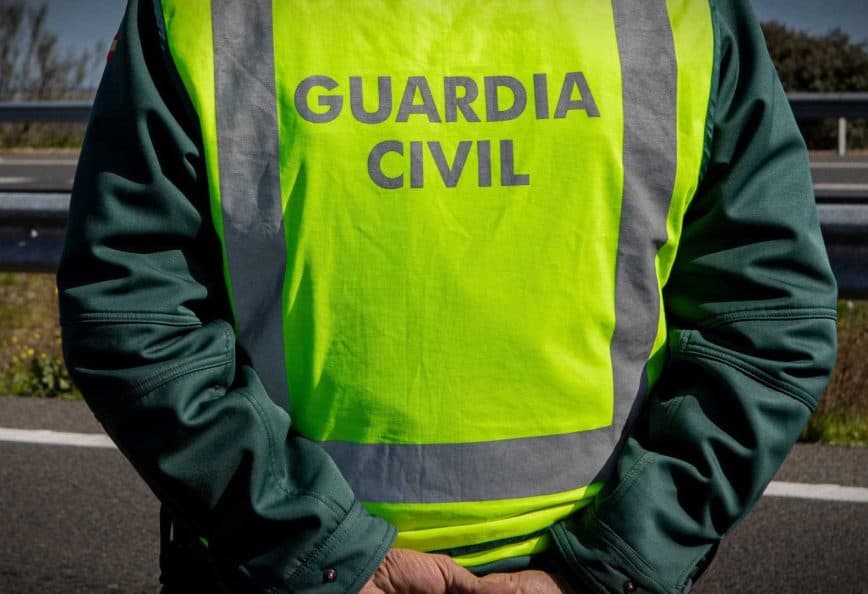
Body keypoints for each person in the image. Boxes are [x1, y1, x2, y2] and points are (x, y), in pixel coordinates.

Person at [57, 0, 837, 592]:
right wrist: (614, 564)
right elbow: (770, 319)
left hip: (278, 566)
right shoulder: (678, 13)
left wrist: (318, 552)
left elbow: (135, 308)